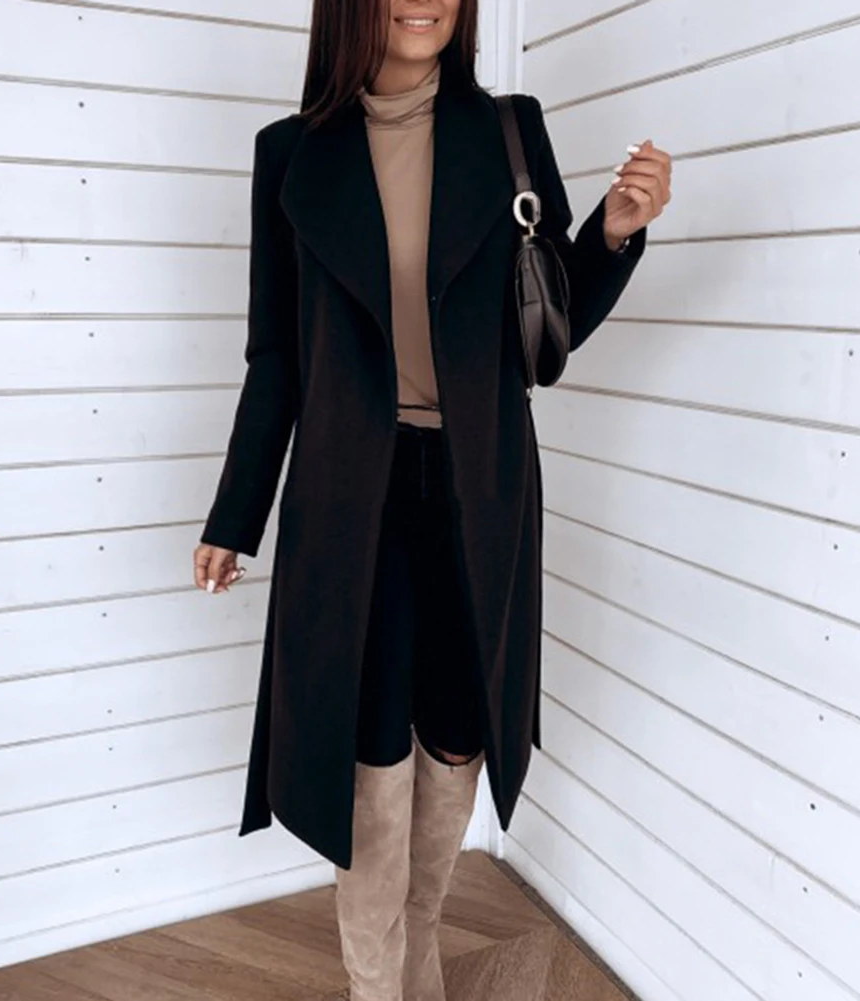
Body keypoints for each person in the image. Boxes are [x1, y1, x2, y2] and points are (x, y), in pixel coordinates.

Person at [193, 1, 671, 998]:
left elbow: (545, 330)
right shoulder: (289, 154)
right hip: (348, 496)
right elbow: (276, 357)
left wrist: (612, 234)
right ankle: (379, 983)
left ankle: (420, 956)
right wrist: (235, 517)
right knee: (367, 744)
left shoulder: (507, 130)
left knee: (457, 726)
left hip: (478, 489)